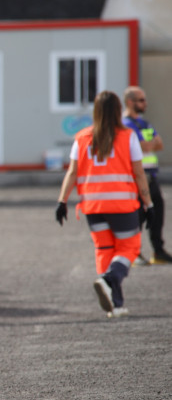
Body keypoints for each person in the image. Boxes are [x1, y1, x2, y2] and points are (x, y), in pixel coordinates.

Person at [56, 90, 154, 318]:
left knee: (105, 250)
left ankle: (116, 304)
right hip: (121, 204)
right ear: (119, 110)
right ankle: (108, 280)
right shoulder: (128, 136)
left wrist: (62, 201)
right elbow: (139, 174)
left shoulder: (81, 138)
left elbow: (72, 172)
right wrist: (148, 203)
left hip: (92, 206)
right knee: (129, 248)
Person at [122, 86, 171, 264]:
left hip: (152, 176)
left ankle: (158, 251)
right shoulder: (125, 125)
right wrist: (148, 143)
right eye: (141, 100)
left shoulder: (145, 123)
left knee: (157, 213)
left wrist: (147, 143)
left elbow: (159, 144)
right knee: (137, 217)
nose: (145, 103)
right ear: (130, 102)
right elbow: (144, 146)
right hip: (136, 178)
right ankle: (132, 253)